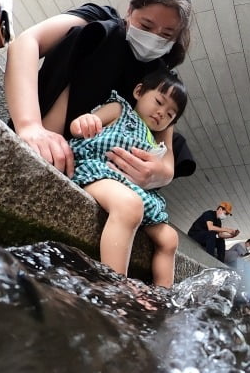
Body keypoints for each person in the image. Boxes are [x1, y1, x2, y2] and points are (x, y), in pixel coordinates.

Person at [4, 0, 195, 190]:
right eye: (146, 25)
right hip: (49, 129)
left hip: (97, 161)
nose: (154, 37)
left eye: (167, 34)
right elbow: (26, 42)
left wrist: (163, 173)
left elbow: (166, 144)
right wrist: (30, 126)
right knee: (105, 35)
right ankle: (50, 137)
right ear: (130, 11)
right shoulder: (102, 19)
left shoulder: (163, 74)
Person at [68, 68, 187, 288]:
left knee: (170, 239)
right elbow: (78, 127)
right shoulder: (119, 109)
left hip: (136, 190)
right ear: (139, 91)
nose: (162, 113)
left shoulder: (155, 142)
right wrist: (84, 122)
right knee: (130, 206)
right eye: (159, 102)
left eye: (170, 114)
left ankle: (162, 297)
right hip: (98, 171)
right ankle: (115, 289)